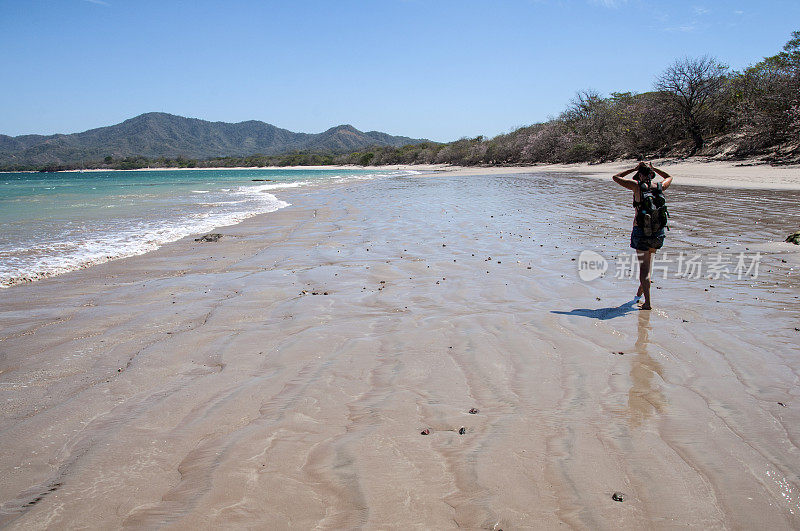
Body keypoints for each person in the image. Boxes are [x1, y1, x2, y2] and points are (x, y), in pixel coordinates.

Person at [613, 161, 673, 310]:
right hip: (658, 233)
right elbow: (669, 176)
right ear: (651, 175)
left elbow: (616, 177)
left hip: (641, 232)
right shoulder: (660, 187)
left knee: (644, 268)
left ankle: (647, 303)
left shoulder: (636, 186)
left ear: (639, 175)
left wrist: (632, 169)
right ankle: (641, 291)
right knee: (649, 263)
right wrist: (655, 169)